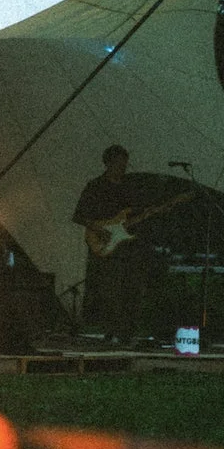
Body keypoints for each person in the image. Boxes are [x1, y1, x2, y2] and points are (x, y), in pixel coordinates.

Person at [71, 144, 163, 346]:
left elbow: (135, 214)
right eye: (119, 162)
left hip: (129, 246)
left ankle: (127, 333)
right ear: (109, 163)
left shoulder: (130, 187)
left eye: (125, 163)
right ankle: (113, 330)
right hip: (107, 245)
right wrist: (99, 228)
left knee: (133, 288)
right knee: (110, 290)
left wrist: (149, 213)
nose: (123, 167)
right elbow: (78, 216)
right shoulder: (96, 186)